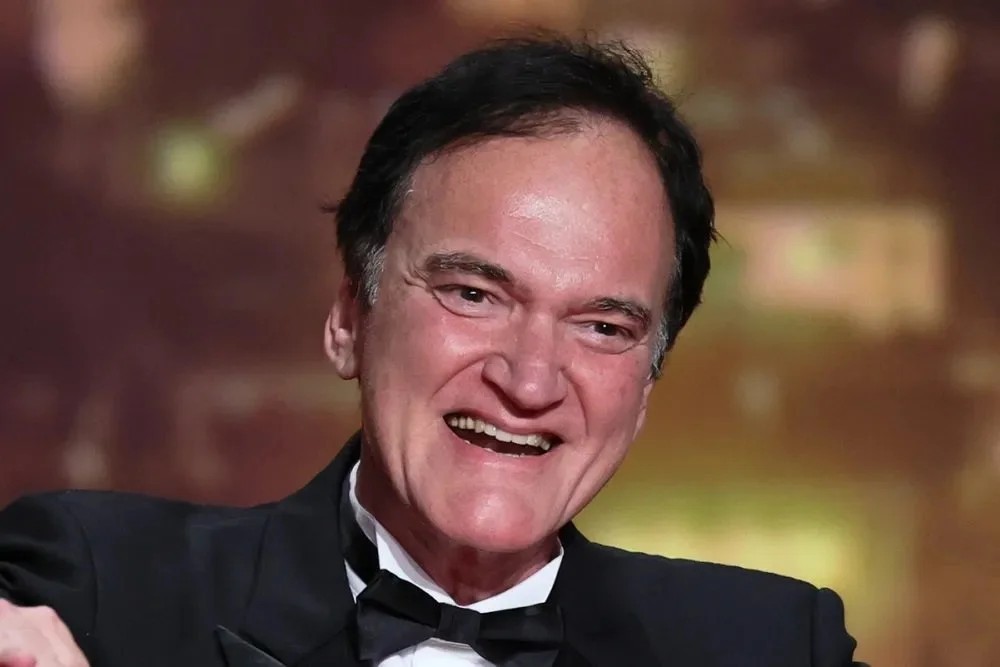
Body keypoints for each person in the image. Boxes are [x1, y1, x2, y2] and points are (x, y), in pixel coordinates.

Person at [0, 36, 865, 666]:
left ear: (644, 390)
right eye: (474, 294)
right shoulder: (101, 588)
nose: (529, 379)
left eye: (603, 327)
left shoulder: (770, 645)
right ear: (351, 316)